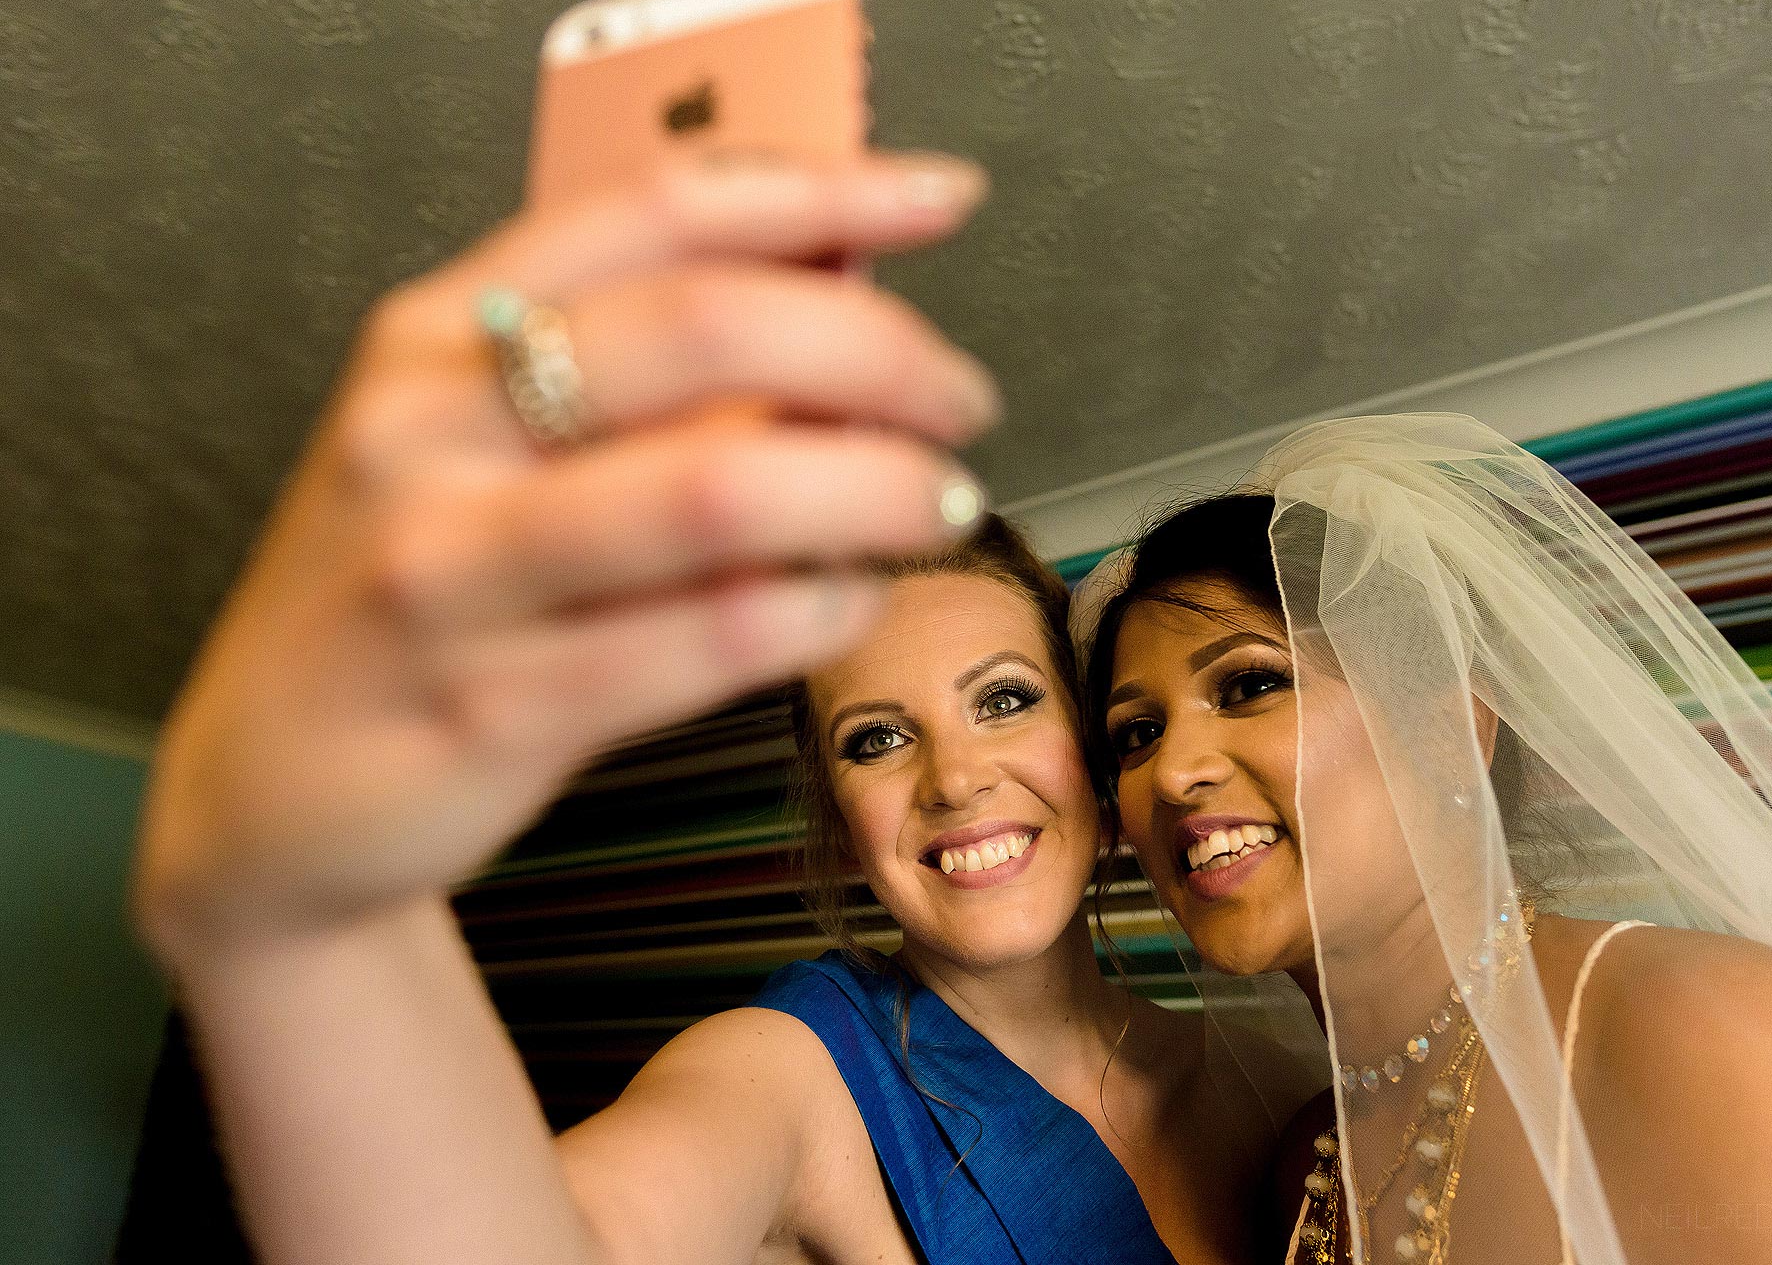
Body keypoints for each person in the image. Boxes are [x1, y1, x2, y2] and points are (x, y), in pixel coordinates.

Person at [126, 150, 1296, 1265]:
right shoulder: (786, 1074)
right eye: (876, 739)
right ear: (839, 816)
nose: (951, 777)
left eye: (1001, 700)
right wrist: (302, 923)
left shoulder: (1272, 1077)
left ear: (1090, 748)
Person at [1077, 413, 1772, 1264]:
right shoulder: (1305, 1177)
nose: (1171, 771)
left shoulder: (1706, 1032)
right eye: (1136, 732)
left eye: (1248, 685)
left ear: (1448, 726)